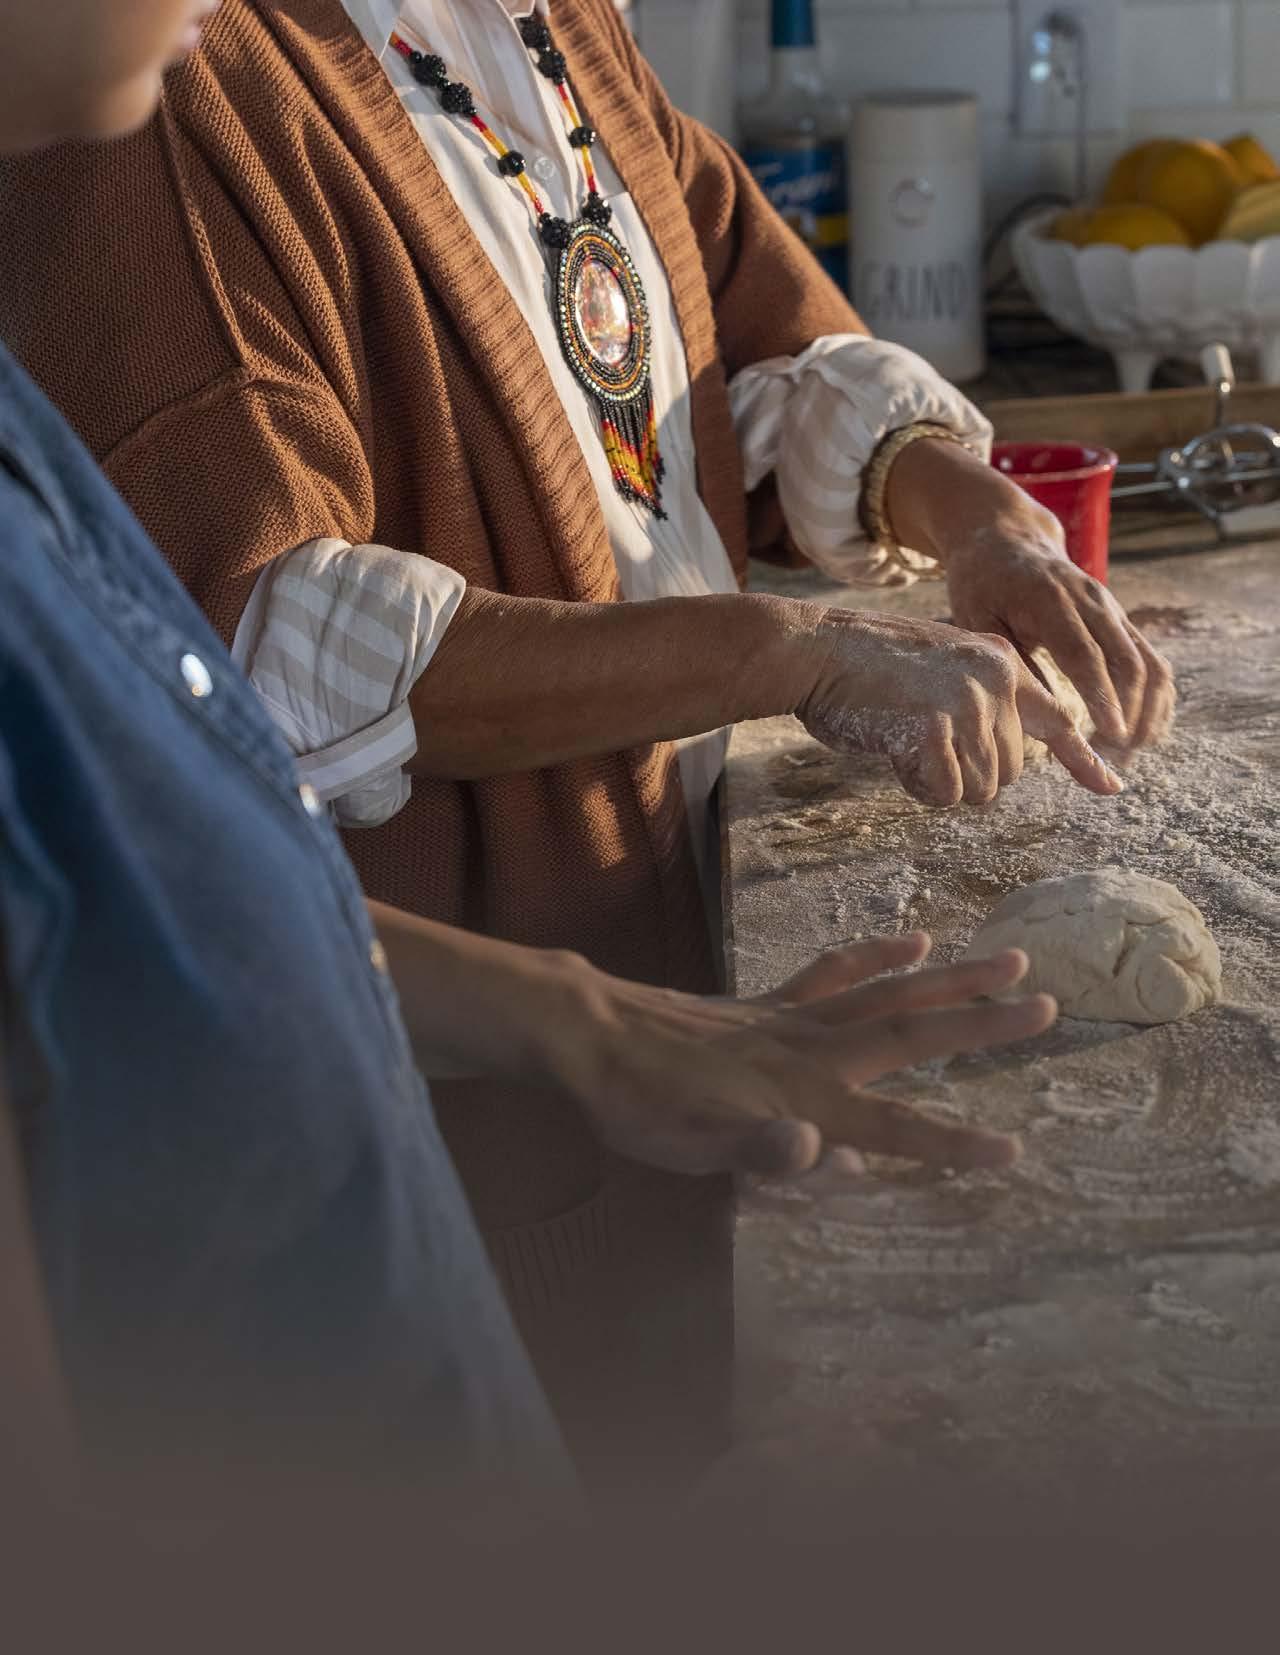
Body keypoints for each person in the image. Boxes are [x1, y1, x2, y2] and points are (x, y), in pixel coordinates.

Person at [0, 0, 1170, 1482]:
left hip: (636, 979)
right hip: (459, 1141)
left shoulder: (540, 18)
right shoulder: (158, 98)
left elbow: (719, 322)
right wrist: (780, 655)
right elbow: (262, 660)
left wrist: (969, 509)